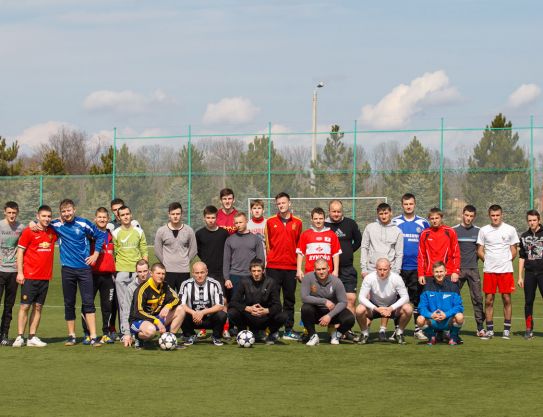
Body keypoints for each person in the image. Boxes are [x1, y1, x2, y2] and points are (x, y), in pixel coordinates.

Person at [44, 199, 105, 346]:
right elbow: (41, 222)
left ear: (74, 210)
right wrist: (35, 223)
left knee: (88, 303)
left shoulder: (83, 223)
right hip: (67, 270)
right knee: (69, 303)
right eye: (63, 212)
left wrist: (96, 254)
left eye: (69, 210)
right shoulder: (57, 224)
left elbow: (100, 236)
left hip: (84, 269)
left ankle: (93, 336)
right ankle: (71, 336)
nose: (67, 214)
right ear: (60, 213)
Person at [12, 205, 56, 348]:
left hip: (45, 277)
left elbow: (62, 221)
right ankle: (20, 337)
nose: (47, 219)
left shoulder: (52, 232)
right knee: (25, 306)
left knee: (38, 307)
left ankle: (32, 337)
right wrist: (20, 272)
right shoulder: (29, 231)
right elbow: (20, 252)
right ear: (37, 216)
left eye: (49, 216)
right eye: (43, 216)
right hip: (29, 276)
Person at [265, 192, 303, 341]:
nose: (281, 205)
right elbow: (267, 245)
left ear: (289, 203)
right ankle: (273, 330)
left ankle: (288, 329)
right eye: (279, 203)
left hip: (291, 267)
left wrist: (298, 267)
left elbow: (300, 247)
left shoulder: (298, 222)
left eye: (283, 203)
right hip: (273, 266)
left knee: (289, 299)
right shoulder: (270, 221)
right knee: (273, 300)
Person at [477, 204, 519, 340]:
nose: (495, 218)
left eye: (497, 215)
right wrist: (488, 261)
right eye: (493, 215)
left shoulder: (510, 229)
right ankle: (490, 330)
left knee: (506, 298)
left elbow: (514, 250)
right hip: (489, 271)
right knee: (489, 300)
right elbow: (480, 250)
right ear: (489, 216)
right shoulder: (483, 230)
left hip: (505, 271)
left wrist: (506, 261)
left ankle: (506, 330)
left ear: (502, 215)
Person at [392, 193, 429, 340]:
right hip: (399, 268)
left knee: (417, 299)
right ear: (402, 205)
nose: (408, 206)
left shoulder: (423, 223)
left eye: (411, 204)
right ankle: (397, 329)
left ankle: (417, 329)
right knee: (397, 299)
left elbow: (426, 245)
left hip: (416, 268)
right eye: (406, 204)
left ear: (415, 204)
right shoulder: (395, 222)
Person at [112, 205, 148, 347]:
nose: (126, 216)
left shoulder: (139, 231)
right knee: (123, 304)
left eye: (128, 213)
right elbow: (114, 253)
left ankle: (137, 331)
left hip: (137, 274)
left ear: (131, 215)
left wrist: (144, 268)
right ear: (118, 217)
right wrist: (116, 271)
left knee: (138, 304)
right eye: (123, 215)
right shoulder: (116, 233)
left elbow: (144, 249)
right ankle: (125, 333)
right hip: (121, 272)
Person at [227, 258, 287, 344]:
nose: (256, 274)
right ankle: (244, 332)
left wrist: (266, 310)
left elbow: (278, 306)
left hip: (265, 317)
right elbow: (233, 302)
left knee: (283, 315)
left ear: (263, 270)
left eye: (259, 271)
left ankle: (269, 333)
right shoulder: (244, 281)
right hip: (249, 316)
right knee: (232, 312)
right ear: (250, 271)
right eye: (253, 271)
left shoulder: (271, 282)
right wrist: (247, 308)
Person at [355, 258, 412, 345]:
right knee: (359, 309)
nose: (382, 272)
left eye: (385, 269)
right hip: (374, 307)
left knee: (408, 308)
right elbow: (361, 297)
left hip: (391, 307)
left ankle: (399, 333)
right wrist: (376, 308)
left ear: (390, 268)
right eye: (380, 269)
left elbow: (405, 297)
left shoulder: (396, 278)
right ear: (376, 268)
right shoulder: (369, 278)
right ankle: (364, 333)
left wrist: (391, 308)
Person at [129, 263, 185, 349]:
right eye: (158, 273)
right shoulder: (142, 289)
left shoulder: (165, 285)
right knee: (151, 331)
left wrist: (168, 306)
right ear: (151, 274)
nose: (161, 276)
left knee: (181, 309)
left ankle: (169, 339)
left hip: (155, 318)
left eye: (163, 274)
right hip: (139, 320)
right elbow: (138, 312)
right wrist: (157, 321)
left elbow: (177, 299)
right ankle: (138, 337)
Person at [82, 207, 116, 344]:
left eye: (104, 217)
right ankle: (87, 333)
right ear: (95, 219)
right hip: (91, 275)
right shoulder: (90, 235)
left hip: (108, 276)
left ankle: (106, 333)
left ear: (108, 219)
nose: (102, 219)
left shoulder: (112, 235)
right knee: (87, 304)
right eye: (99, 217)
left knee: (107, 305)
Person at [300, 258, 354, 346]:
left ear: (328, 268)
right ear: (314, 270)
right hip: (316, 312)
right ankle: (313, 336)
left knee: (350, 318)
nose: (321, 272)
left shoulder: (336, 281)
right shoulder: (308, 277)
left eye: (323, 269)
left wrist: (329, 315)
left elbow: (343, 302)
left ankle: (336, 335)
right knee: (305, 308)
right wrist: (324, 301)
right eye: (318, 269)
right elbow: (304, 298)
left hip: (332, 312)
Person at [452, 205, 485, 337]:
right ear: (462, 214)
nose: (468, 218)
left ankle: (480, 328)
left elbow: (479, 250)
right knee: (452, 298)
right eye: (466, 215)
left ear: (474, 217)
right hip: (457, 270)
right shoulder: (454, 230)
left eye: (471, 216)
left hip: (473, 269)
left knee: (477, 298)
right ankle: (450, 326)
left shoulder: (479, 231)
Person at [325, 199, 362, 316]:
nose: (336, 214)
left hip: (348, 269)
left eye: (339, 211)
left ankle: (348, 330)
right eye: (333, 211)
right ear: (329, 212)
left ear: (342, 212)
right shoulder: (324, 225)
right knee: (332, 301)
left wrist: (348, 251)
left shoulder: (350, 223)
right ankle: (335, 331)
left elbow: (358, 241)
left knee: (350, 299)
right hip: (329, 270)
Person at [179, 262, 227, 346]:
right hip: (193, 318)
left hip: (210, 318)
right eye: (197, 273)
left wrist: (202, 312)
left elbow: (220, 305)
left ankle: (216, 336)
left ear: (206, 272)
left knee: (222, 314)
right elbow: (181, 304)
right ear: (192, 273)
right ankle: (190, 335)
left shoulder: (215, 284)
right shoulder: (186, 284)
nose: (199, 275)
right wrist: (194, 313)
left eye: (202, 272)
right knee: (180, 312)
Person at [416, 261, 464, 345]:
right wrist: (431, 315)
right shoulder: (427, 287)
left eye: (441, 271)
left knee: (460, 317)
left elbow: (459, 307)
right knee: (420, 320)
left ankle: (453, 337)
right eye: (436, 272)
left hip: (448, 320)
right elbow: (421, 307)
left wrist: (446, 314)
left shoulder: (453, 286)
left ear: (446, 272)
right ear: (433, 273)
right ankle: (431, 337)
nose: (439, 274)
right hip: (433, 320)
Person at [154, 202, 197, 293]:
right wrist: (166, 262)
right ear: (169, 214)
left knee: (184, 299)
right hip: (167, 271)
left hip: (184, 271)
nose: (175, 216)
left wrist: (185, 261)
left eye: (178, 214)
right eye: (173, 214)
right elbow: (157, 251)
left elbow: (193, 249)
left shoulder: (189, 230)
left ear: (182, 214)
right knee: (167, 299)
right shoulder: (161, 231)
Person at [223, 212, 265, 299]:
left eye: (240, 222)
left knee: (251, 304)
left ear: (246, 221)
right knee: (235, 305)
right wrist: (227, 278)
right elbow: (226, 261)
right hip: (234, 276)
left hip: (251, 276)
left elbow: (261, 259)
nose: (238, 225)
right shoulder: (229, 239)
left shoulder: (256, 239)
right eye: (236, 223)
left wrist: (260, 275)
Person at [0, 201, 25, 345]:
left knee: (9, 306)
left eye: (14, 213)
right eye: (9, 212)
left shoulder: (21, 227)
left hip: (14, 272)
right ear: (5, 212)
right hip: (0, 270)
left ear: (17, 213)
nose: (11, 215)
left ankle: (4, 335)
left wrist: (33, 223)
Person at [417, 207, 460, 285]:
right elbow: (421, 256)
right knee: (430, 297)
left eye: (437, 218)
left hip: (447, 273)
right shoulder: (425, 234)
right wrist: (420, 274)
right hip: (429, 274)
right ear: (429, 219)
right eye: (432, 218)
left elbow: (456, 254)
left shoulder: (450, 232)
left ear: (441, 218)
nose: (434, 221)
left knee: (449, 297)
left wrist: (455, 271)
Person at [296, 207, 341, 279]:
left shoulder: (331, 234)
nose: (318, 221)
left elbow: (335, 254)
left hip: (327, 274)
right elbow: (300, 253)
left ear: (324, 219)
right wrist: (298, 270)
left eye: (320, 218)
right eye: (315, 219)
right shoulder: (305, 234)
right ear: (311, 219)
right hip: (310, 274)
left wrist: (336, 270)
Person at [518, 209, 543, 339]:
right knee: (528, 301)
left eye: (534, 220)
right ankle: (529, 328)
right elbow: (522, 257)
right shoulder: (524, 236)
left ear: (539, 220)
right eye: (530, 220)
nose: (532, 223)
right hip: (529, 274)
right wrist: (520, 276)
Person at [360, 202, 403, 276]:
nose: (383, 216)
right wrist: (364, 269)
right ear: (377, 214)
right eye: (381, 214)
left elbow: (399, 254)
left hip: (390, 271)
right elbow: (364, 248)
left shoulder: (397, 231)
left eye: (386, 213)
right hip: (372, 270)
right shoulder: (370, 228)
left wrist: (397, 271)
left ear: (391, 213)